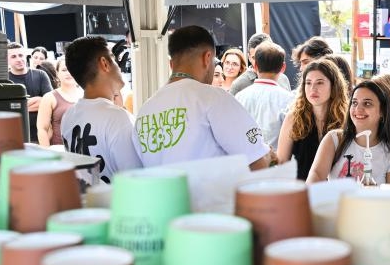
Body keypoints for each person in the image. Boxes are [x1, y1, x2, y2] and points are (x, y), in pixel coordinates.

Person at [133, 25, 269, 170]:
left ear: (171, 64)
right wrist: (268, 156)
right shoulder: (213, 98)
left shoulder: (145, 110)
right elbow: (257, 162)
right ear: (207, 57)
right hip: (213, 193)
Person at [60, 36, 142, 183]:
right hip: (117, 203)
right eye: (114, 59)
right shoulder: (117, 118)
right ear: (104, 63)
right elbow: (137, 178)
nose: (119, 66)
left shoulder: (68, 117)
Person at [305, 78, 390, 184]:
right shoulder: (334, 139)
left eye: (367, 104)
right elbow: (316, 177)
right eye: (354, 103)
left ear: (383, 112)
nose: (358, 109)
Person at [276, 59, 349, 180]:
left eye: (320, 83)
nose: (313, 88)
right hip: (301, 193)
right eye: (308, 83)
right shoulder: (294, 118)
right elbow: (282, 163)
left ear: (334, 85)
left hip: (335, 193)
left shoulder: (346, 119)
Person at [235, 42, 294, 149]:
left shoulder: (240, 97)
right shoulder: (289, 100)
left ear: (255, 65)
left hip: (246, 160)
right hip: (277, 162)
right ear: (283, 67)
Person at [8, 41, 53, 143]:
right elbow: (6, 108)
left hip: (41, 136)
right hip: (16, 137)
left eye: (20, 55)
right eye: (13, 56)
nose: (19, 59)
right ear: (7, 60)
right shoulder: (5, 81)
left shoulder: (41, 75)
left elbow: (50, 102)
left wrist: (19, 105)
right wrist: (38, 100)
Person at [37, 58, 84, 147]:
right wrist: (47, 152)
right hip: (59, 149)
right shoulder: (49, 97)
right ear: (57, 73)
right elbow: (42, 129)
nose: (68, 73)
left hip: (84, 150)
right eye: (64, 70)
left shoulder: (86, 94)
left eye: (71, 69)